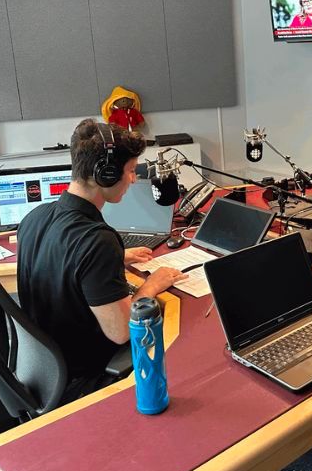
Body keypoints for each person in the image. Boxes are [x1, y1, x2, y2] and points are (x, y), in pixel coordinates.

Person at [17, 119, 187, 401]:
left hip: (45, 370)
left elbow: (62, 260)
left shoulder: (35, 217)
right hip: (85, 379)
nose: (133, 179)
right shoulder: (98, 240)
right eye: (131, 170)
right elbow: (121, 332)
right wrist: (151, 287)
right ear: (105, 174)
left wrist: (117, 258)